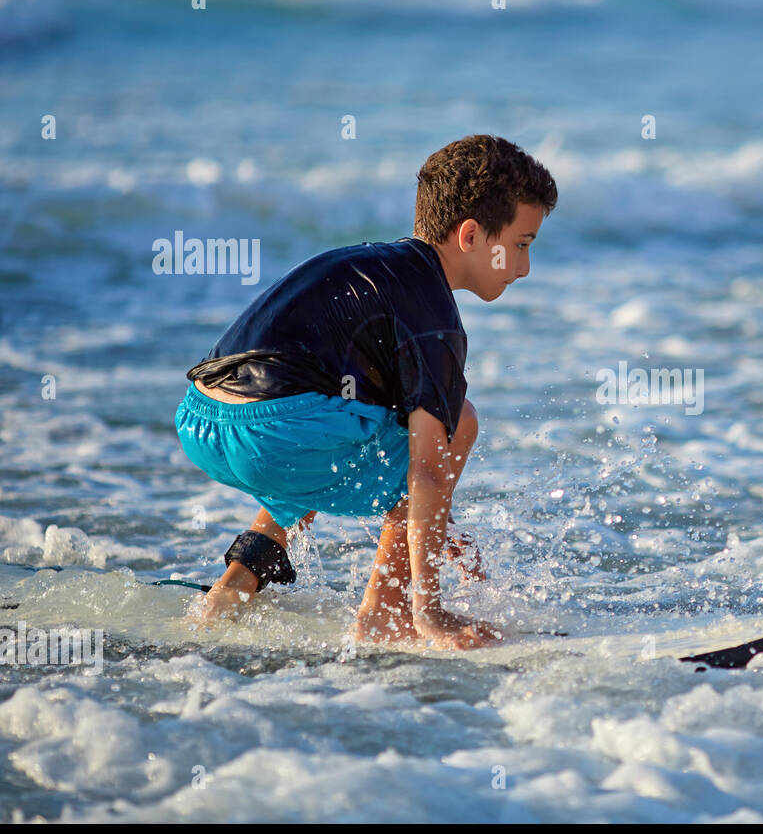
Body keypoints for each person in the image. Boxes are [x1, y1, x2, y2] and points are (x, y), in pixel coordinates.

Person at [174, 135, 557, 649]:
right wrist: (434, 607)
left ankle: (234, 585)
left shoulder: (377, 264)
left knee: (356, 418)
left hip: (204, 420)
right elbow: (425, 469)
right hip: (277, 434)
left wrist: (435, 529)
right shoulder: (434, 318)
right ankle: (392, 613)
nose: (524, 267)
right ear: (470, 235)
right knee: (457, 422)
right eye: (521, 245)